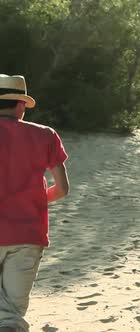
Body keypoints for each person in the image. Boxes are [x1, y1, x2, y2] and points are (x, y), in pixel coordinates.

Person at [0, 74, 69, 332]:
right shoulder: (45, 135)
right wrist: (35, 201)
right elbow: (62, 188)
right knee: (12, 314)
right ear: (20, 105)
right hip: (28, 233)